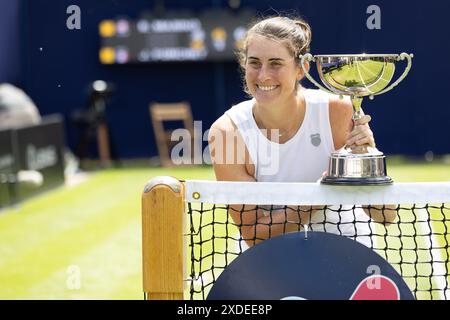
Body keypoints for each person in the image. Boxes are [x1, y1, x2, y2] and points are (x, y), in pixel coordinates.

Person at [208, 16, 397, 248]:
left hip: (348, 249)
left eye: (276, 63)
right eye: (255, 62)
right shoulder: (227, 132)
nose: (263, 75)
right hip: (267, 260)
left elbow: (386, 216)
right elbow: (253, 235)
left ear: (301, 69)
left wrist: (368, 162)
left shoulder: (338, 110)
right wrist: (318, 196)